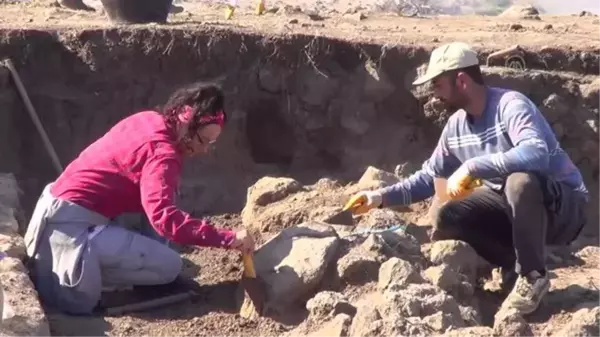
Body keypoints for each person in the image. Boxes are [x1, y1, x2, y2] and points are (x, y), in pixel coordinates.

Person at [345, 42, 588, 315]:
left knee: (520, 181)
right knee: (445, 208)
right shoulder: (456, 127)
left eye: (437, 85)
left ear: (461, 80)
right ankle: (514, 264)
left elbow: (536, 154)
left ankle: (533, 276)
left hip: (564, 207)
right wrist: (378, 198)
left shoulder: (511, 106)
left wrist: (473, 167)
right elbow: (429, 177)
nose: (433, 94)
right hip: (512, 205)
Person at [24, 82, 255, 315]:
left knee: (165, 191)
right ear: (186, 125)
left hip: (56, 209)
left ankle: (128, 260)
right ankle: (123, 283)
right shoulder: (162, 155)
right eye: (203, 141)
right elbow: (165, 220)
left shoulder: (148, 119)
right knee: (170, 267)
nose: (205, 149)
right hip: (68, 229)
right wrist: (227, 238)